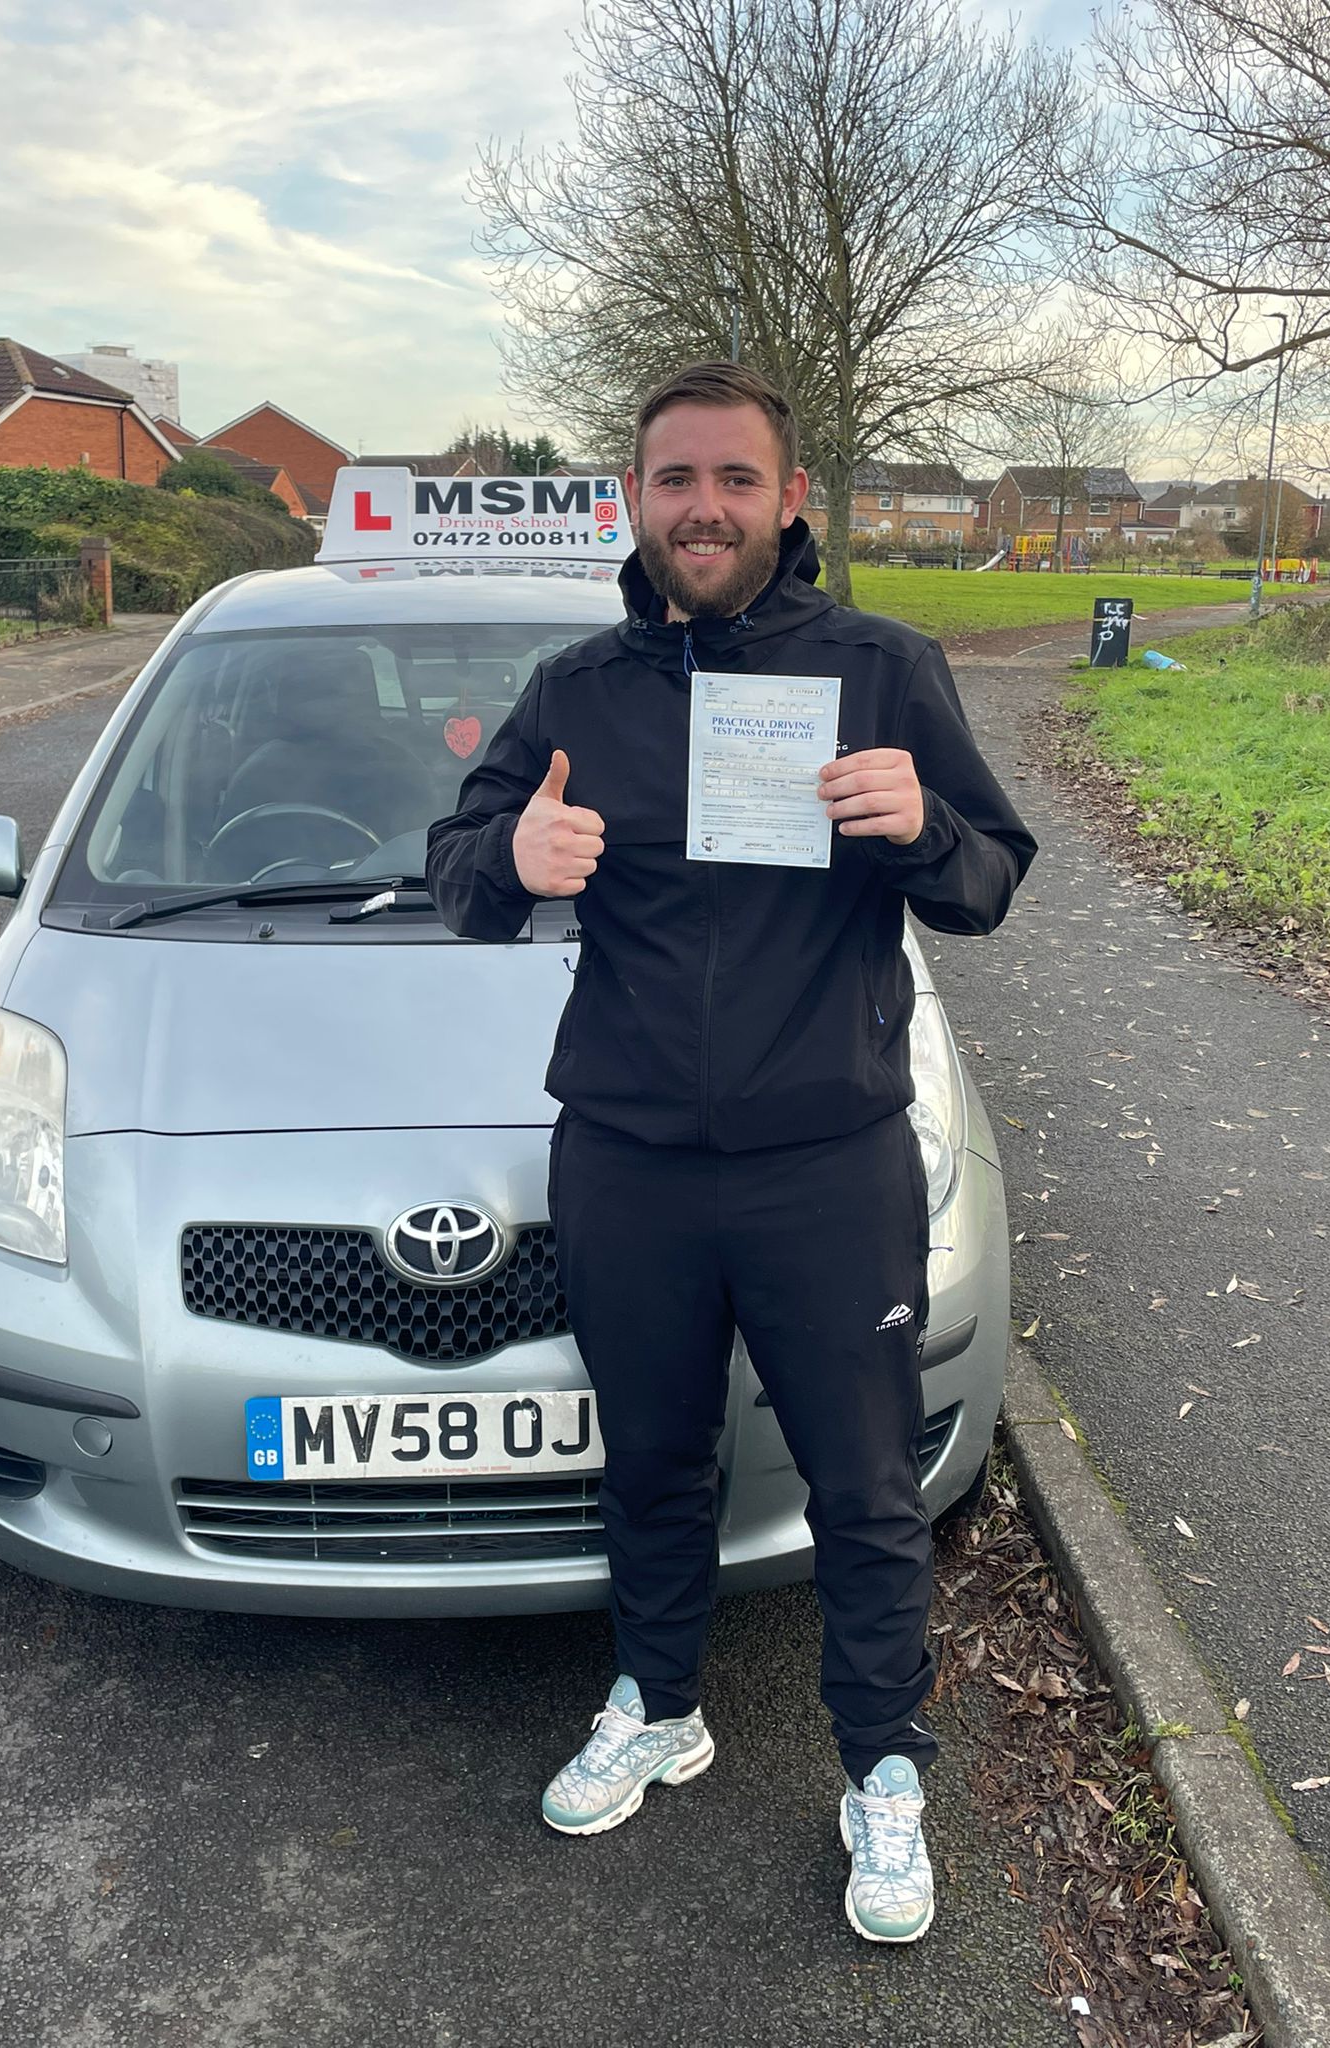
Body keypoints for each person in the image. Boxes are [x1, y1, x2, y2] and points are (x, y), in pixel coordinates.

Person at [425, 361, 1036, 1945]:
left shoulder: (884, 670)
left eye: (734, 480)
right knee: (652, 1459)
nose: (703, 507)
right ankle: (661, 1700)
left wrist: (924, 826)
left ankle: (884, 1769)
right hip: (627, 1156)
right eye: (674, 480)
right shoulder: (575, 692)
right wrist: (511, 852)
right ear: (636, 502)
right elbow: (455, 880)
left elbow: (987, 885)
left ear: (790, 501)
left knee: (865, 1483)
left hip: (826, 1159)